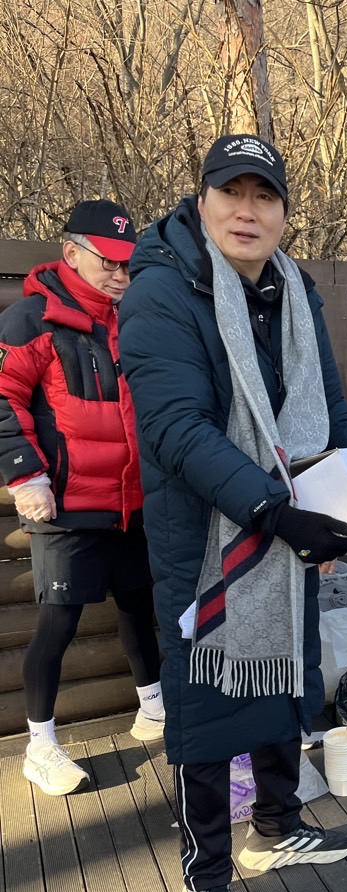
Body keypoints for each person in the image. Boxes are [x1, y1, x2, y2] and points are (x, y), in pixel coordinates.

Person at [119, 134, 347, 892]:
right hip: (205, 543)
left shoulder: (294, 290)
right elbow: (176, 429)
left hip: (281, 530)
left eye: (264, 196)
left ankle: (275, 823)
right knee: (204, 712)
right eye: (231, 192)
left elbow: (331, 412)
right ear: (201, 202)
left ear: (284, 214)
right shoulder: (161, 291)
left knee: (285, 677)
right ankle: (206, 875)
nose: (247, 210)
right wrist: (275, 509)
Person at [0, 200, 164, 796]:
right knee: (58, 623)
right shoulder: (31, 319)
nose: (120, 275)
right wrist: (25, 476)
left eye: (128, 264)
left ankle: (153, 709)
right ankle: (39, 746)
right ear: (71, 253)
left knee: (139, 606)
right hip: (65, 505)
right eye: (109, 262)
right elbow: (3, 398)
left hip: (133, 502)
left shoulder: (135, 320)